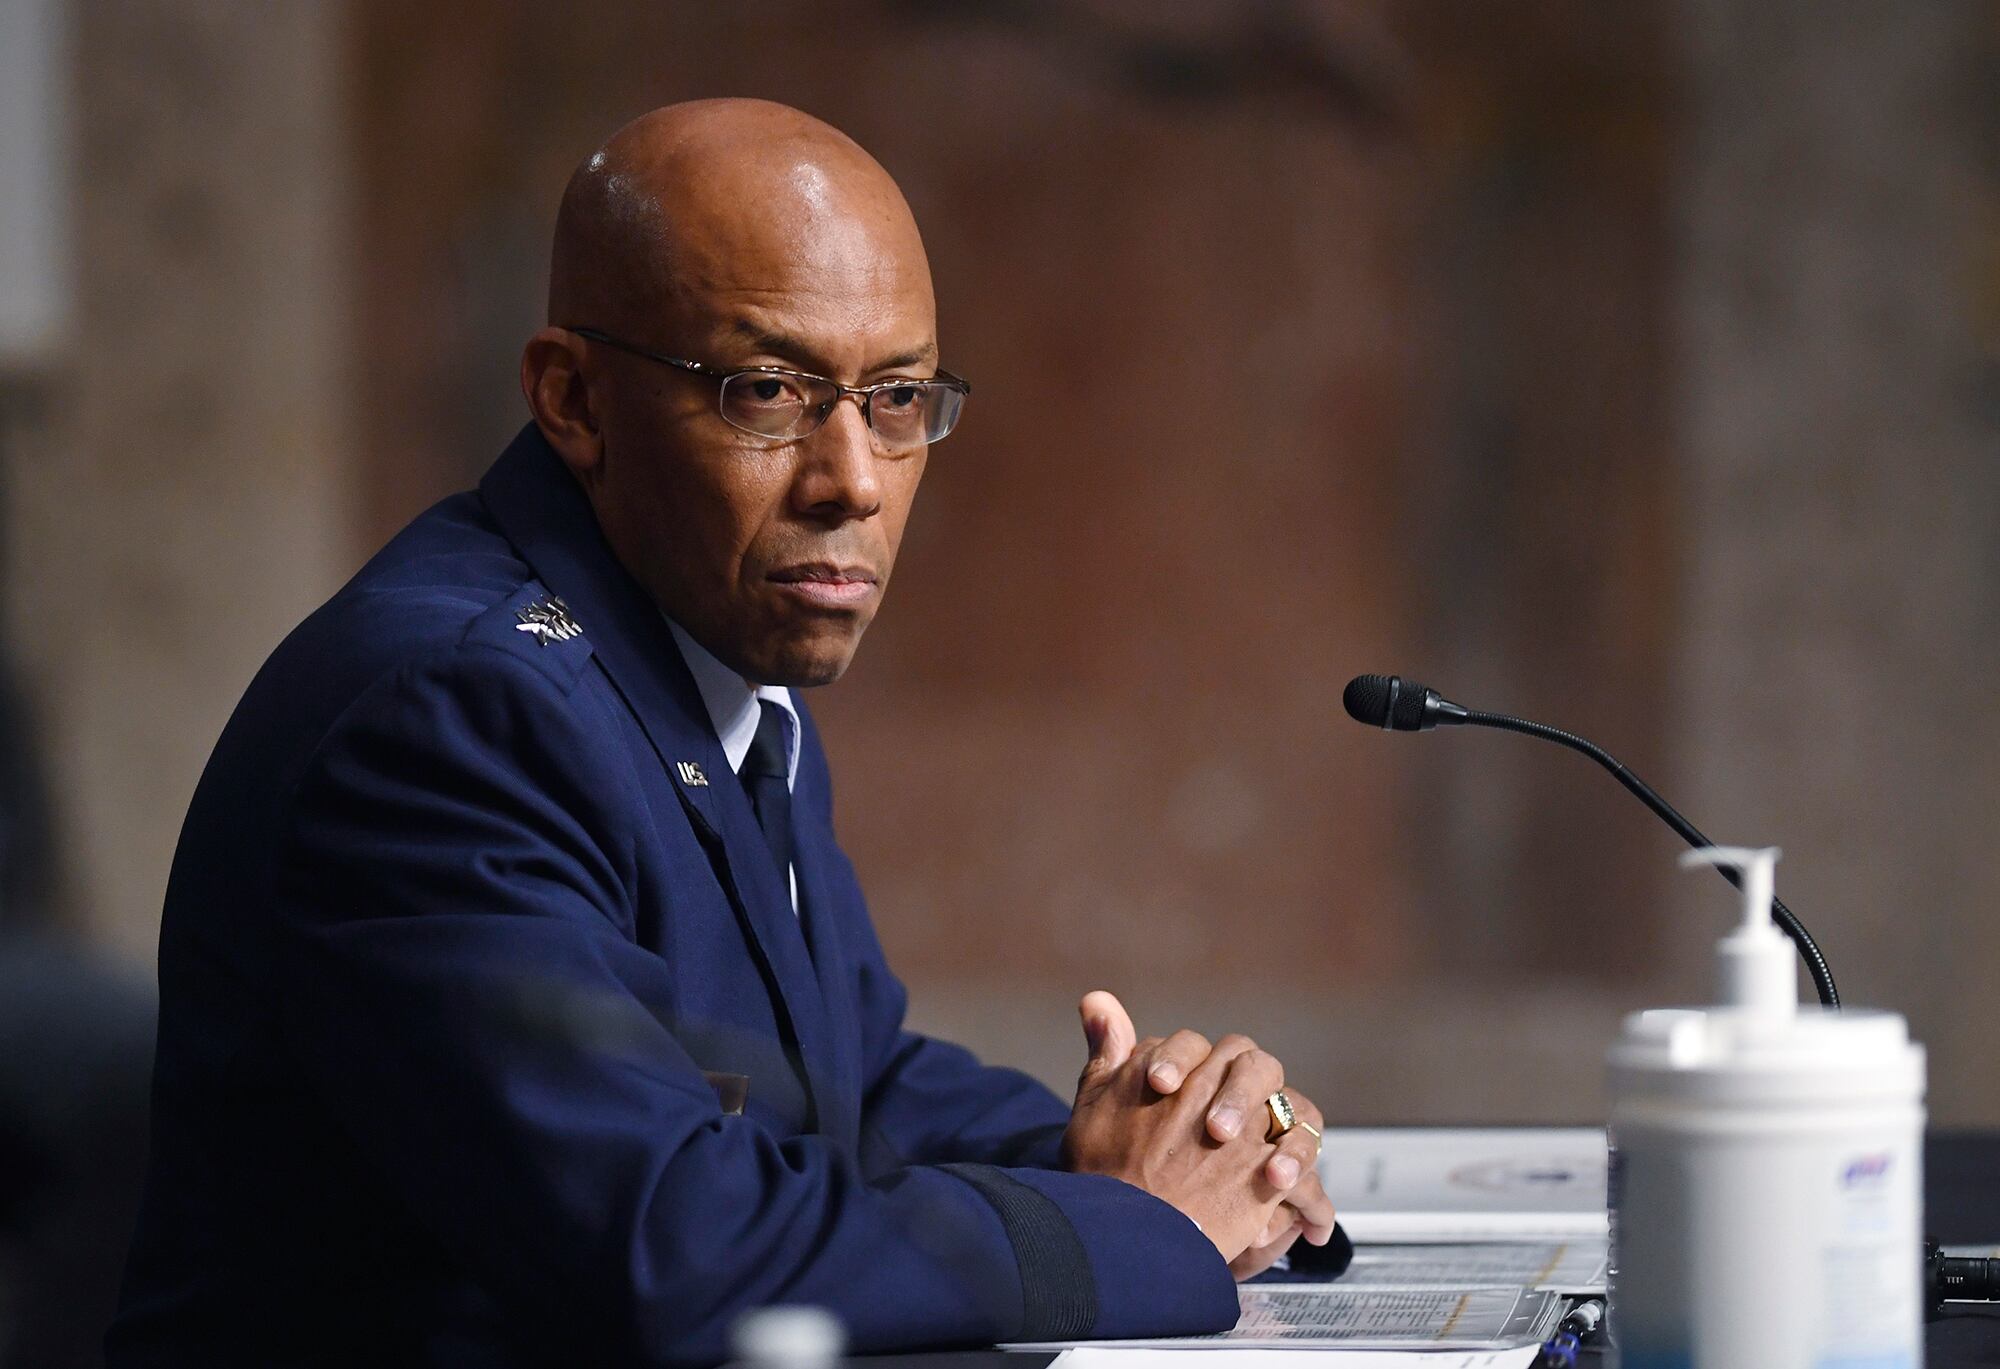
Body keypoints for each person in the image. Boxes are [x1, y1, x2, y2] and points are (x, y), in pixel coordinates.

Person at [109, 99, 1338, 1367]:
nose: (852, 478)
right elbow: (678, 1248)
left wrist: (1162, 1141)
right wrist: (1128, 1228)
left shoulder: (705, 634)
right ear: (571, 398)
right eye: (768, 391)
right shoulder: (453, 719)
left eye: (898, 397)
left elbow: (841, 1082)